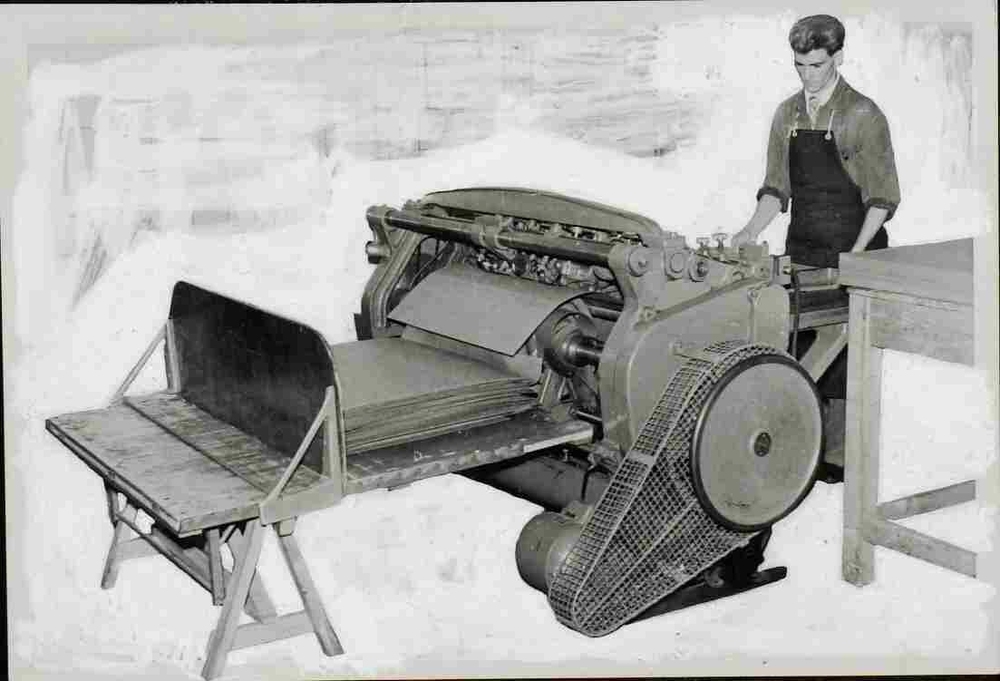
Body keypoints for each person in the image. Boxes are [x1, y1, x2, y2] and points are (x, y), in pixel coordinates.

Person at [732, 14, 900, 268]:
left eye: (816, 66)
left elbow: (881, 198)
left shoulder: (863, 114)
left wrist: (856, 256)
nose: (807, 75)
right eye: (799, 65)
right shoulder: (786, 113)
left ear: (838, 57)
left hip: (859, 255)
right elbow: (777, 187)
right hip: (801, 256)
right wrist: (750, 230)